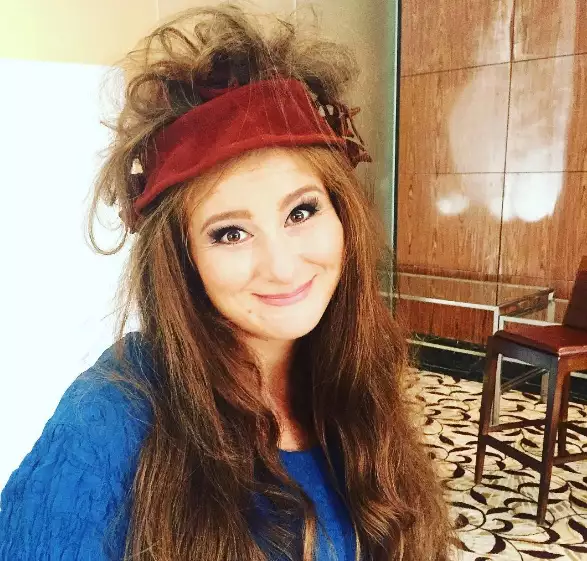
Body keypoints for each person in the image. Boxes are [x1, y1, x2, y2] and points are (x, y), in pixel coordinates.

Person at [0, 4, 455, 560]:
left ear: (342, 213)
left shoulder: (354, 369)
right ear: (183, 257)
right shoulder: (112, 415)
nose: (282, 266)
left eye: (301, 211)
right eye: (230, 233)